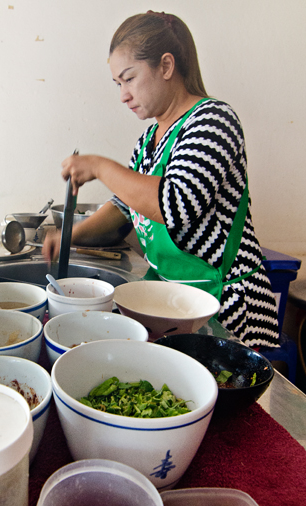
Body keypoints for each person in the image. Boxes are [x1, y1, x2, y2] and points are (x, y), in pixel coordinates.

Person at [43, 11, 280, 349]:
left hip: (228, 313)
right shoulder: (149, 139)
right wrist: (66, 236)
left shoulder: (212, 121)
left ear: (166, 66)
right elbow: (125, 208)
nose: (123, 94)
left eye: (129, 78)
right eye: (118, 84)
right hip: (177, 303)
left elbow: (174, 204)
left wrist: (100, 167)